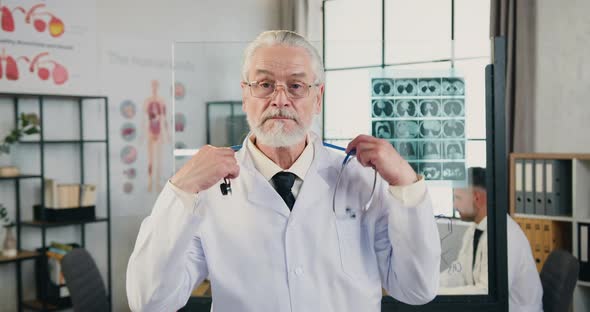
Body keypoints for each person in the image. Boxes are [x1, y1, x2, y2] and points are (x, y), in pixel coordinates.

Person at [126, 30, 441, 311]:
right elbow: (150, 302)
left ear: (317, 98)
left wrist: (407, 183)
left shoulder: (362, 176)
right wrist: (179, 190)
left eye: (296, 86)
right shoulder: (205, 187)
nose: (280, 100)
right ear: (245, 95)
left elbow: (416, 289)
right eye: (264, 85)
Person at [438, 167, 543, 312]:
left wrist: (437, 295)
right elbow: (460, 272)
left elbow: (486, 292)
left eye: (458, 198)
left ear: (477, 197)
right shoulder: (475, 229)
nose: (455, 205)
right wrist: (431, 287)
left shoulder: (504, 235)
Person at [142, 80, 170, 192]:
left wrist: (167, 135)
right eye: (152, 85)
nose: (154, 87)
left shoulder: (161, 101)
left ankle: (158, 183)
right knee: (150, 160)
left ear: (158, 87)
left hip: (159, 132)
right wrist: (142, 134)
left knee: (159, 160)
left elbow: (165, 119)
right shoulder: (147, 101)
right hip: (150, 131)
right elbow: (143, 119)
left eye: (156, 85)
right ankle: (149, 182)